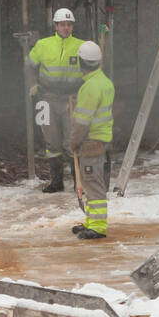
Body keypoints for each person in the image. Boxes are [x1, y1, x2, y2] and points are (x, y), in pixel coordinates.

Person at [27, 9, 84, 194]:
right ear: (56, 25)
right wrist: (33, 85)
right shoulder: (43, 45)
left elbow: (92, 70)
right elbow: (29, 66)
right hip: (47, 98)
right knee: (52, 142)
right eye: (62, 24)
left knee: (72, 141)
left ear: (72, 26)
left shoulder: (82, 46)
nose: (66, 28)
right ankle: (56, 182)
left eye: (69, 24)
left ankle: (78, 182)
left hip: (71, 99)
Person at [68, 41, 113, 240]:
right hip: (101, 139)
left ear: (81, 62)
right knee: (89, 182)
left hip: (90, 142)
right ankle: (91, 220)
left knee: (93, 184)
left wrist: (73, 142)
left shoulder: (89, 88)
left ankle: (98, 226)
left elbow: (82, 122)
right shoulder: (105, 82)